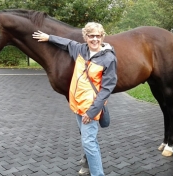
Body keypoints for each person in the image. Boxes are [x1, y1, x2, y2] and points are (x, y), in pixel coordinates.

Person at [32, 22, 117, 176]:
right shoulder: (80, 49)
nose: (95, 39)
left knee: (88, 142)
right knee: (90, 141)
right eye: (91, 36)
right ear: (85, 37)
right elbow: (66, 43)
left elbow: (107, 88)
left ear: (102, 37)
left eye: (98, 36)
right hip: (77, 103)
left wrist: (91, 112)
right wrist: (48, 37)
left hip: (90, 107)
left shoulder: (108, 58)